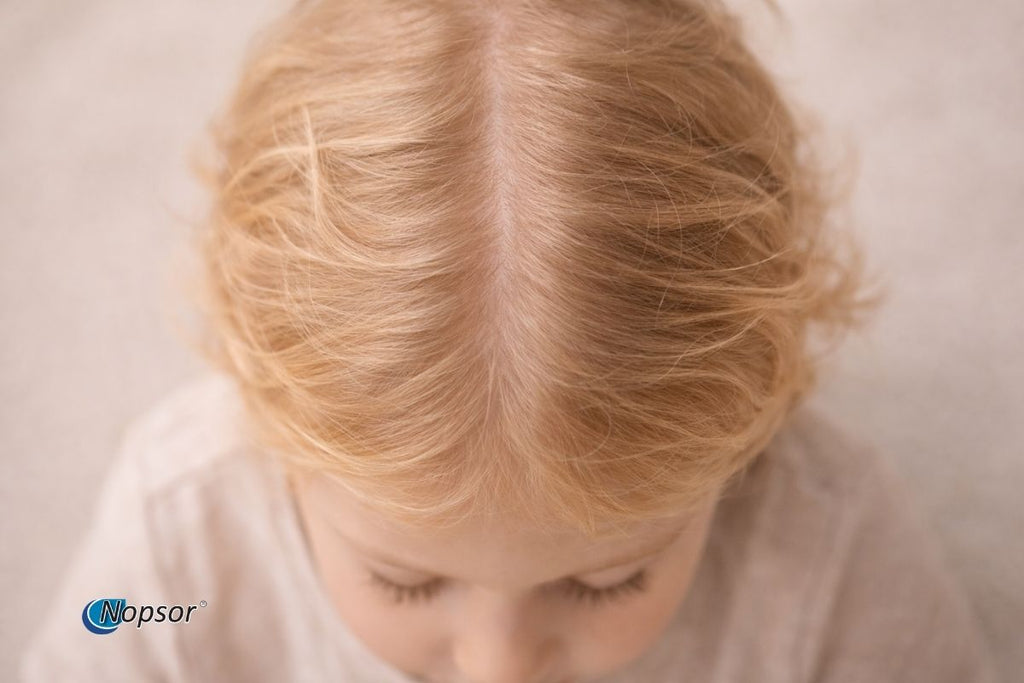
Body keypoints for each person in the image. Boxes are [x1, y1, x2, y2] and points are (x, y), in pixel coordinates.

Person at [20, 0, 996, 681]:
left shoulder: (822, 555)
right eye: (402, 580)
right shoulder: (186, 562)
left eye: (606, 579)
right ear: (269, 414)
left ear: (754, 414)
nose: (498, 663)